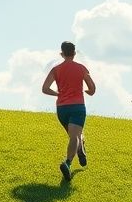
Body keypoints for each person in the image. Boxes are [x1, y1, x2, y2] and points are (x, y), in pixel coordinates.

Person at [41, 41, 95, 182]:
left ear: (62, 53)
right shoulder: (81, 68)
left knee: (74, 136)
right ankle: (68, 163)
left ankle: (80, 147)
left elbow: (45, 88)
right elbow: (92, 88)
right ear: (74, 53)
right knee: (74, 136)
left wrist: (57, 94)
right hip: (77, 106)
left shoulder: (56, 69)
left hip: (62, 109)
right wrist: (88, 91)